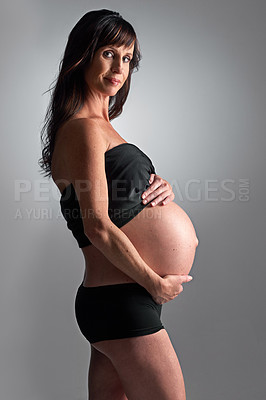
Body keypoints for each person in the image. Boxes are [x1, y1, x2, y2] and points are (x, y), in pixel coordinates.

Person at [39, 9, 198, 400]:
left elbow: (119, 200)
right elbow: (96, 225)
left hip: (121, 299)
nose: (120, 66)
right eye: (109, 53)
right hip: (122, 299)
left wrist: (156, 186)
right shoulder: (83, 128)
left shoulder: (100, 126)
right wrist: (155, 283)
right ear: (84, 54)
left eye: (128, 58)